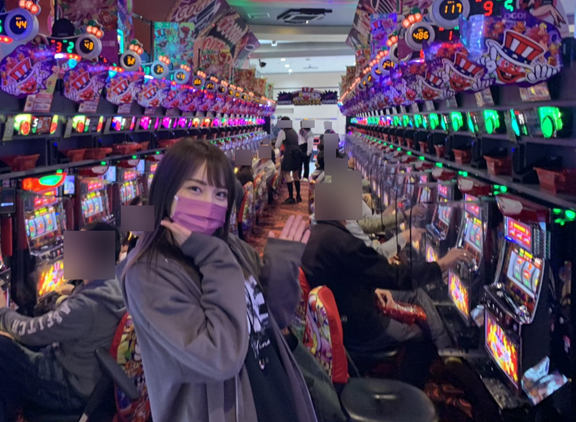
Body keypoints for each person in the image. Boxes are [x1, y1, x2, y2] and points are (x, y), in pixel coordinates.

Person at [119, 138, 319, 422]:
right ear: (166, 192)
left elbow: (270, 320)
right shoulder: (148, 274)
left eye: (220, 194)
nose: (208, 203)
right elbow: (220, 358)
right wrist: (213, 256)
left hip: (268, 389)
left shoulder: (232, 248)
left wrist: (280, 268)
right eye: (195, 189)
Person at [0, 221, 126, 422]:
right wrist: (71, 295)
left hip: (68, 386)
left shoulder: (86, 305)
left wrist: (1, 311)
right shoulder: (113, 286)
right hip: (88, 380)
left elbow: (30, 332)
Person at [301, 217, 472, 388]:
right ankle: (405, 391)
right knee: (421, 337)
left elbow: (345, 276)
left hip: (343, 313)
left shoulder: (320, 233)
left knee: (414, 296)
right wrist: (442, 264)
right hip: (358, 326)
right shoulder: (342, 242)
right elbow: (397, 277)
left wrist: (373, 289)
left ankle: (444, 351)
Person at [275, 118, 303, 204]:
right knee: (296, 175)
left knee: (287, 174)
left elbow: (277, 145)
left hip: (289, 154)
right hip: (297, 153)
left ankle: (291, 197)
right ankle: (298, 196)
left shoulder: (282, 132)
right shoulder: (293, 131)